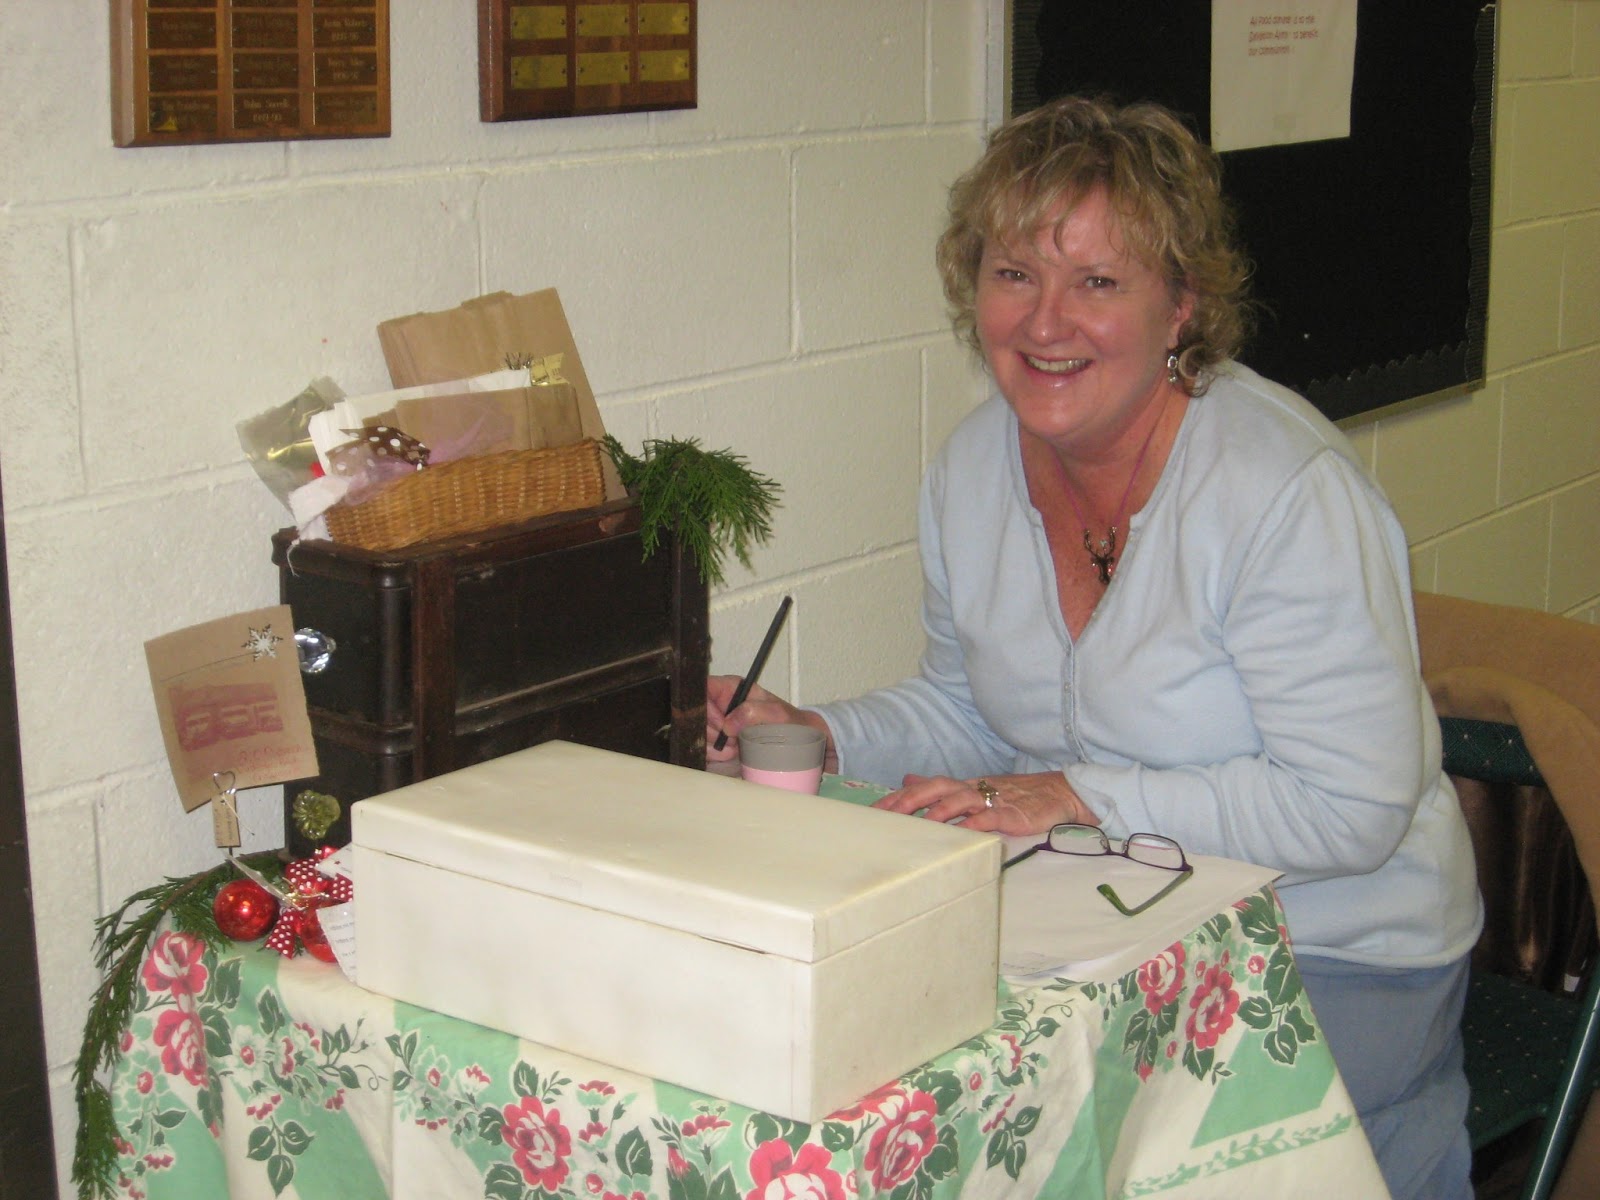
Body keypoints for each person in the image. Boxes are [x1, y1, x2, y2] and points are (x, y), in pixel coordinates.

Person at [708, 95, 1483, 1198]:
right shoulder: (970, 471)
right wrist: (822, 734)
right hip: (1106, 922)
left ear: (1182, 306)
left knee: (1053, 1151)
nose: (1045, 322)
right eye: (1014, 274)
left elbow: (1350, 811)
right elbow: (974, 709)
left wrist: (1079, 798)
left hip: (1332, 949)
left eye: (1099, 282)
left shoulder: (1282, 492)